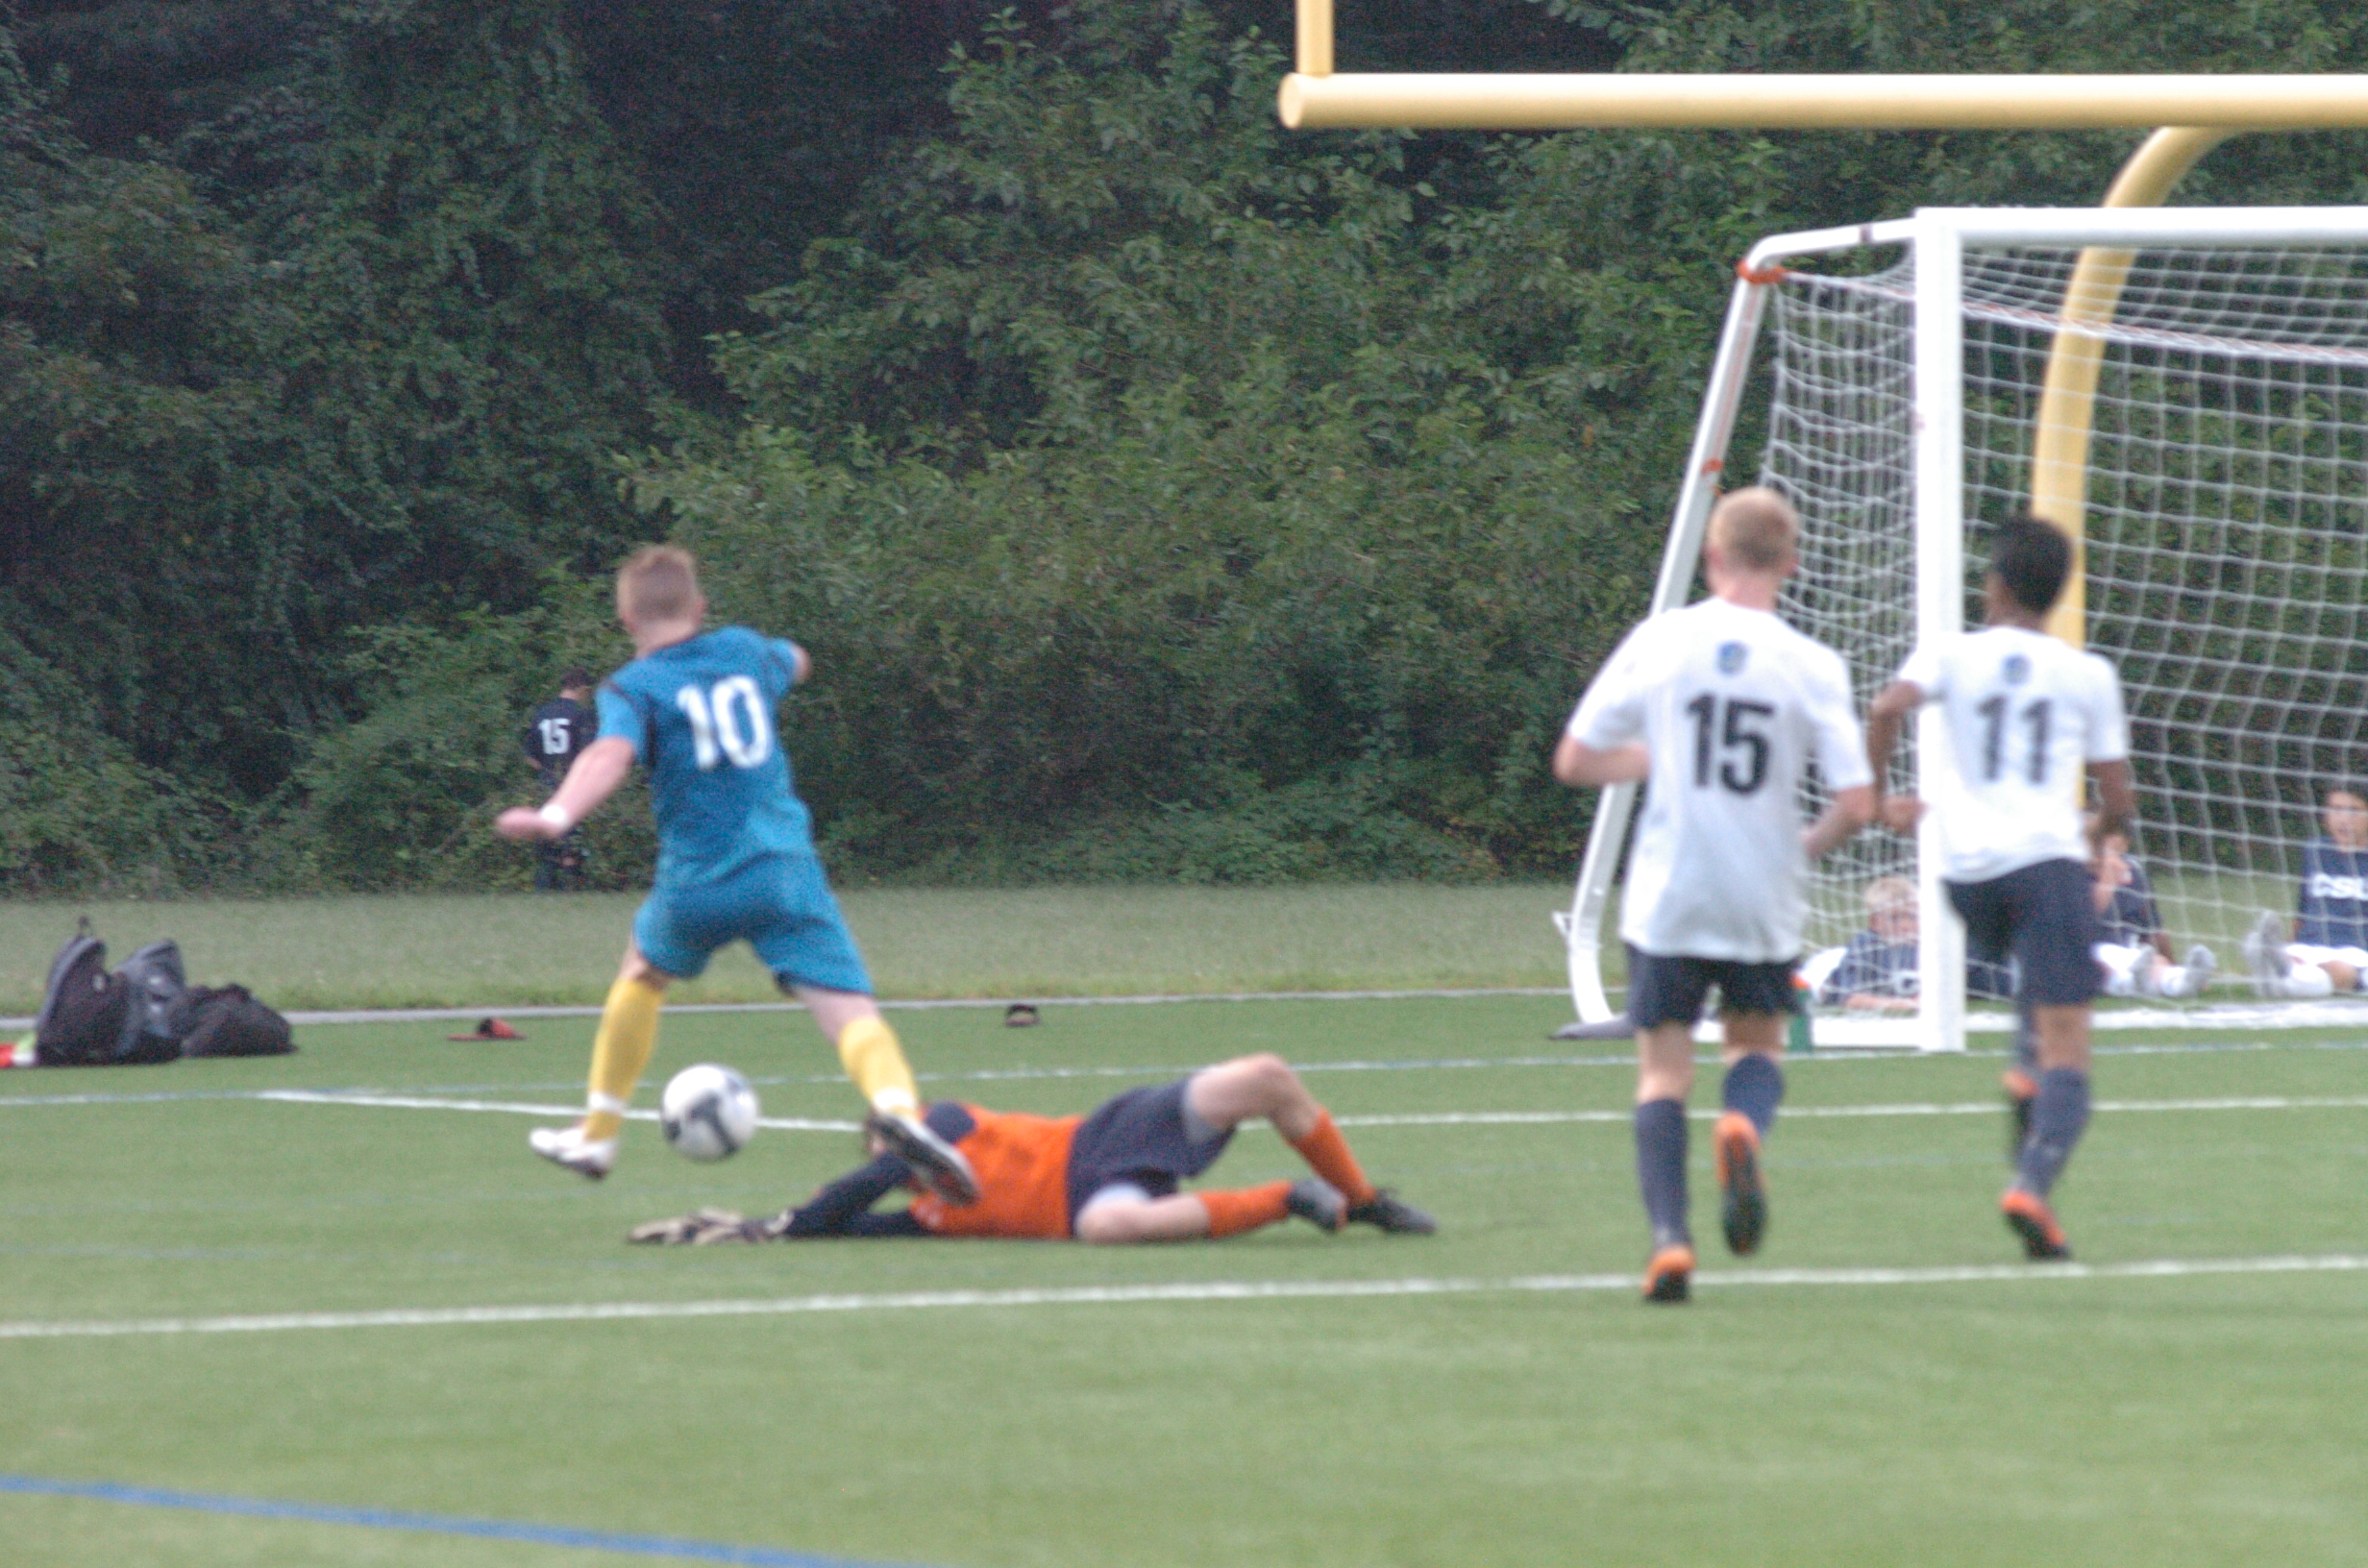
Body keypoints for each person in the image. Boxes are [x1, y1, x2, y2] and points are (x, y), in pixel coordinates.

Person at [494, 546, 976, 1203]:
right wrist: (786, 661)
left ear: (627, 619)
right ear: (699, 608)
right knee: (847, 1009)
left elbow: (609, 754)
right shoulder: (746, 652)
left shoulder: (631, 687)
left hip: (699, 882)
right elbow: (796, 659)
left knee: (642, 972)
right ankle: (898, 1109)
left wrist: (556, 815)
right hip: (785, 872)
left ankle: (599, 1133)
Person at [1554, 487, 1874, 1303]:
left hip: (1671, 892)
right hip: (1758, 896)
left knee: (1663, 1076)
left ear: (1712, 557)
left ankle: (1670, 1241)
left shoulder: (1663, 640)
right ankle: (1742, 1126)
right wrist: (1801, 849)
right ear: (1791, 563)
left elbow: (1576, 760)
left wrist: (1656, 757)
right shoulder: (1812, 663)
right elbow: (1857, 801)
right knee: (1756, 1051)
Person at [1866, 513, 2135, 1262]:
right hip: (2044, 865)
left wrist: (1881, 799)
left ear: (1995, 585)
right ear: (2059, 592)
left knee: (2032, 979)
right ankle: (2033, 1186)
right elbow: (2119, 798)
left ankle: (2024, 1070)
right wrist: (2096, 834)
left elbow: (1885, 707)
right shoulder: (2087, 673)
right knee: (2069, 1043)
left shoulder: (1950, 651)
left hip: (1966, 877)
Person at [628, 1053, 1436, 1245]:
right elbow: (856, 1217)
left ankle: (1364, 1200)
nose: (889, 1145)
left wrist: (781, 1224)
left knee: (1265, 1077)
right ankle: (1288, 1200)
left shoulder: (947, 1122)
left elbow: (867, 1180)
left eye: (890, 1133)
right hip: (1092, 1204)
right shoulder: (930, 1214)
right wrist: (747, 1228)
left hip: (1105, 1137)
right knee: (1109, 1230)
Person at [1812, 876, 2015, 1012]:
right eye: (1895, 918)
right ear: (1874, 922)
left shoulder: (1944, 943)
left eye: (1913, 917)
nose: (1906, 925)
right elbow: (1850, 999)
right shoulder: (1866, 946)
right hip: (1829, 962)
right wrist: (1907, 1005)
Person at [2242, 783, 2368, 998]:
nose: (2343, 819)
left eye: (2353, 811)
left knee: (2340, 972)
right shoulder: (2316, 850)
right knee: (2299, 963)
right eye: (2336, 809)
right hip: (2309, 946)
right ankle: (2278, 962)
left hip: (2355, 952)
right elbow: (2303, 910)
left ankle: (2279, 981)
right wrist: (2291, 944)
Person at [2090, 824, 2213, 1000]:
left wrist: (2171, 964)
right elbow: (2082, 922)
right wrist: (2107, 880)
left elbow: (2152, 930)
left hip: (2123, 953)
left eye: (2109, 834)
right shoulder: (2069, 872)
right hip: (2078, 955)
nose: (2102, 843)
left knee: (2155, 962)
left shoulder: (2133, 872)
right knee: (2104, 962)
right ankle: (2133, 983)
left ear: (2125, 844)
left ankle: (2181, 982)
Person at [521, 669, 597, 892]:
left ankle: (543, 889)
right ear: (582, 688)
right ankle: (569, 889)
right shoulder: (582, 713)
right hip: (573, 784)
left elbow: (529, 756)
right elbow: (589, 752)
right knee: (572, 840)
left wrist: (547, 769)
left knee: (548, 838)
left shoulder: (542, 713)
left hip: (546, 783)